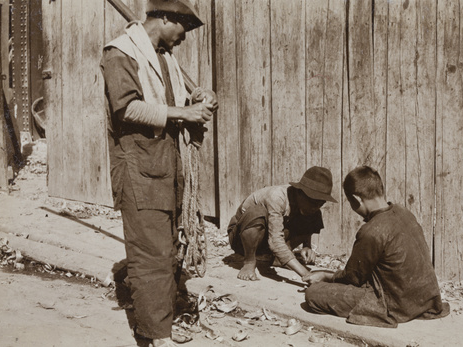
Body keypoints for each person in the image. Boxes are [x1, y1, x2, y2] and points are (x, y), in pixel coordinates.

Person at [100, 1, 217, 346]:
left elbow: (175, 99)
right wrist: (185, 112)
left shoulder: (163, 56)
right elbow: (127, 107)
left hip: (167, 167)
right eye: (183, 28)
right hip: (139, 171)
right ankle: (156, 336)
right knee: (151, 256)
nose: (184, 37)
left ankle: (158, 319)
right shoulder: (120, 53)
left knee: (168, 250)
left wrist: (200, 97)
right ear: (165, 19)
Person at [304, 166, 449, 327]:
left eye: (351, 203)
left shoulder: (372, 230)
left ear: (357, 199)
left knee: (313, 294)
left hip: (395, 304)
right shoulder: (404, 212)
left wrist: (326, 275)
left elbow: (353, 278)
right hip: (426, 299)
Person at [227, 166, 337, 281]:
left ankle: (274, 258)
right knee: (257, 212)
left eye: (321, 203)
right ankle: (249, 261)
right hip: (240, 240)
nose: (316, 207)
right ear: (300, 193)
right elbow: (275, 240)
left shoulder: (308, 206)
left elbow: (306, 223)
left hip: (267, 243)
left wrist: (307, 246)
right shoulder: (277, 196)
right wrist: (306, 274)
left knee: (314, 214)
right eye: (313, 202)